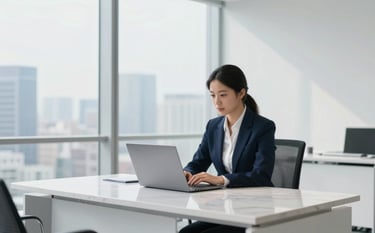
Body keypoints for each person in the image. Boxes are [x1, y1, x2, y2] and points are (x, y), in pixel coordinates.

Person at [179, 64, 276, 233]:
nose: (217, 102)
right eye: (213, 95)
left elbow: (262, 176)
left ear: (241, 93)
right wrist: (187, 172)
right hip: (225, 207)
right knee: (186, 232)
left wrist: (221, 179)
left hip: (254, 209)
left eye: (223, 95)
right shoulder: (213, 126)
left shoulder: (263, 127)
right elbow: (198, 162)